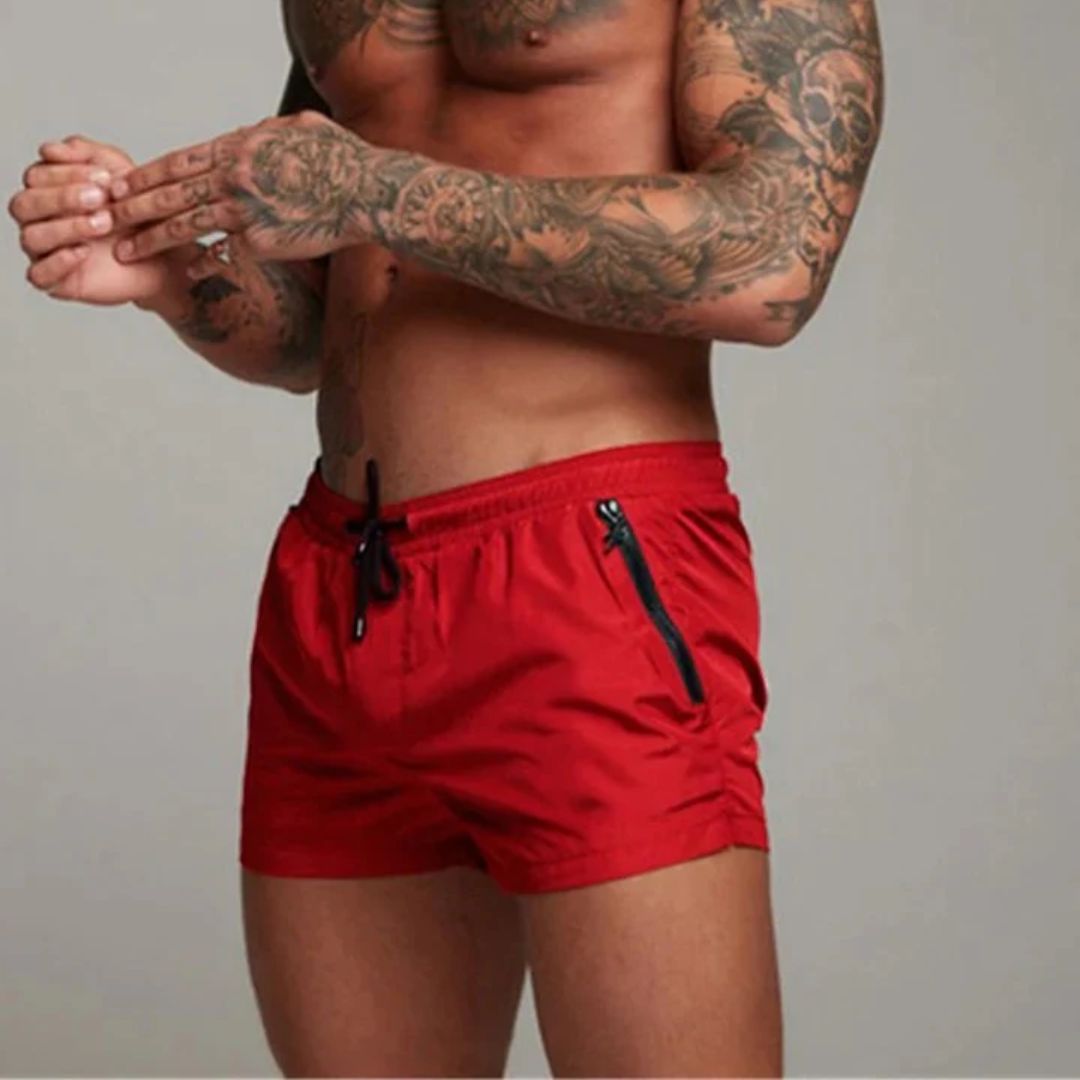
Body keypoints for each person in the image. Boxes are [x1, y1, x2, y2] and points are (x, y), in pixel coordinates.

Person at [7, 1, 884, 1075]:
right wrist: (174, 274)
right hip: (341, 587)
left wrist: (371, 191)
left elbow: (775, 260)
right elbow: (321, 317)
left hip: (586, 575)